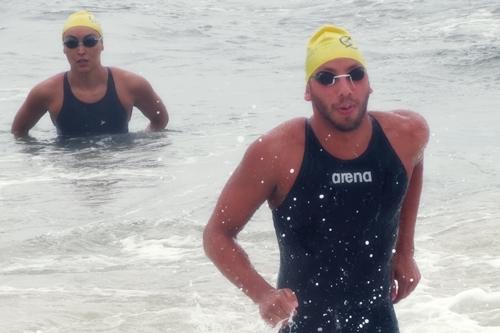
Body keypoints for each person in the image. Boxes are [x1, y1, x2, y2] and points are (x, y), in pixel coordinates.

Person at [203, 24, 429, 333]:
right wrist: (263, 295)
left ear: (369, 84)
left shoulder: (407, 133)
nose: (345, 89)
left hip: (379, 322)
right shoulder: (277, 152)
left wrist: (405, 252)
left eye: (356, 74)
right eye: (327, 78)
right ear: (308, 91)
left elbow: (414, 162)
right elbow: (217, 234)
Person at [11, 10, 168, 138]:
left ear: (102, 45)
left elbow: (160, 121)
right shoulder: (46, 92)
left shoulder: (131, 85)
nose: (81, 51)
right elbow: (18, 132)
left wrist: (140, 152)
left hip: (120, 172)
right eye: (71, 43)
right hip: (68, 173)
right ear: (64, 49)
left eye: (90, 41)